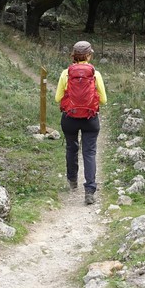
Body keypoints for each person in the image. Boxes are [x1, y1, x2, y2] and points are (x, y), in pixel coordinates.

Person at [55, 40, 107, 205]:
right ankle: (90, 190)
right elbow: (104, 100)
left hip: (70, 118)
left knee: (71, 148)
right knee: (89, 152)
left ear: (73, 56)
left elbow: (57, 98)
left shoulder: (66, 73)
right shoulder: (95, 74)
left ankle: (72, 181)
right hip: (90, 119)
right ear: (89, 55)